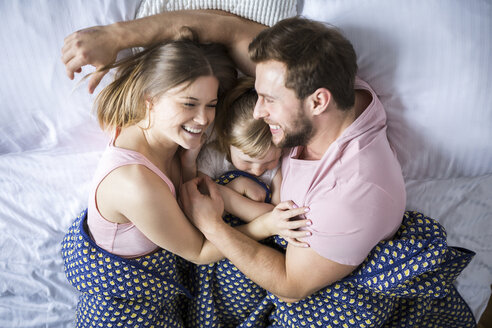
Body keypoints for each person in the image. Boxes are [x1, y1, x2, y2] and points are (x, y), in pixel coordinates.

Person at [62, 11, 474, 328]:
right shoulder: (309, 72)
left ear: (318, 102)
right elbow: (219, 28)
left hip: (294, 266)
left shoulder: (356, 189)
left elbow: (291, 286)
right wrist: (117, 36)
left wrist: (217, 222)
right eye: (257, 93)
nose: (257, 111)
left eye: (268, 100)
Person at [60, 35, 312, 328]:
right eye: (190, 104)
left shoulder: (169, 137)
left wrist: (190, 163)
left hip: (168, 291)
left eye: (211, 105)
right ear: (149, 100)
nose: (204, 119)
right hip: (125, 311)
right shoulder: (134, 182)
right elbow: (200, 252)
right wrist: (266, 226)